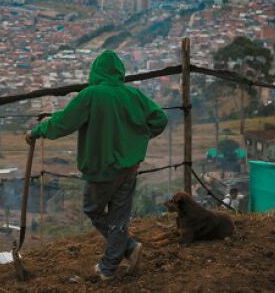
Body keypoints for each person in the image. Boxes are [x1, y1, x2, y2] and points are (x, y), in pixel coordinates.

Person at [26, 50, 168, 281]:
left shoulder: (91, 94)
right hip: (129, 168)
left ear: (96, 72)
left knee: (92, 209)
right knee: (119, 217)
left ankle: (124, 251)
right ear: (120, 72)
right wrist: (136, 139)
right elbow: (160, 119)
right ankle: (113, 262)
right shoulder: (133, 94)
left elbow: (63, 123)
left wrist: (37, 131)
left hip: (101, 170)